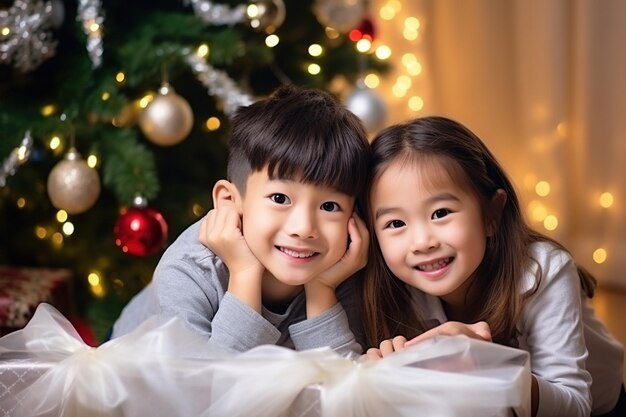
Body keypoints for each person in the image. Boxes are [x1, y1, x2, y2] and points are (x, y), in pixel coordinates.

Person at [361, 116, 625, 417]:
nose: (422, 241)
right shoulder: (391, 288)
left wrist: (488, 363)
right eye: (396, 223)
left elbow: (576, 405)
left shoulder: (543, 271)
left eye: (440, 213)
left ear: (491, 214)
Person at [112, 84, 371, 357]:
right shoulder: (188, 271)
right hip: (132, 374)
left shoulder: (337, 270)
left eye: (330, 206)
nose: (304, 228)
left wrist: (321, 290)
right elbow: (205, 389)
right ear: (229, 200)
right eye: (280, 199)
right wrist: (245, 274)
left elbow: (344, 383)